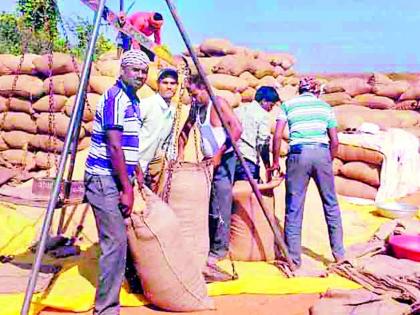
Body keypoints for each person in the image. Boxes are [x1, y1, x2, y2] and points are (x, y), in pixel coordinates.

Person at [84, 49, 150, 315]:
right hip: (104, 179)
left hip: (116, 177)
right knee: (116, 243)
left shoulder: (131, 99)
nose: (141, 75)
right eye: (135, 70)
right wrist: (126, 188)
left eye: (144, 71)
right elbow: (114, 146)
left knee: (120, 240)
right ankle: (106, 310)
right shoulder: (114, 98)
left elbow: (127, 145)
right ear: (122, 70)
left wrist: (136, 174)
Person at [271, 76, 345, 272]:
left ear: (299, 90)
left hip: (298, 154)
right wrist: (328, 159)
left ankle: (294, 260)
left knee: (294, 207)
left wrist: (275, 161)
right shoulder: (325, 107)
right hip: (321, 152)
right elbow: (335, 140)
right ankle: (339, 255)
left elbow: (278, 135)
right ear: (316, 91)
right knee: (331, 204)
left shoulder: (288, 105)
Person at [178, 74, 242, 275]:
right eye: (190, 94)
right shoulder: (197, 108)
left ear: (204, 89)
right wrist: (179, 155)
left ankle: (219, 249)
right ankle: (205, 243)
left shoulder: (218, 103)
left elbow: (237, 129)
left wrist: (219, 154)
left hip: (224, 159)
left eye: (194, 93)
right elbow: (184, 132)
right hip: (209, 162)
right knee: (206, 203)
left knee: (221, 202)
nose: (192, 97)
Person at [138, 68, 178, 192]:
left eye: (172, 83)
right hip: (136, 163)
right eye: (165, 83)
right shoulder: (146, 105)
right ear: (157, 85)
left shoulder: (172, 110)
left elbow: (167, 141)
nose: (169, 87)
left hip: (152, 165)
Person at [234, 86, 280, 182]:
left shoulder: (238, 110)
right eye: (271, 105)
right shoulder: (263, 115)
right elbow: (263, 143)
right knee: (249, 194)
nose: (271, 109)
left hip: (232, 159)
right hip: (248, 160)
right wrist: (267, 166)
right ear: (263, 101)